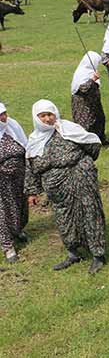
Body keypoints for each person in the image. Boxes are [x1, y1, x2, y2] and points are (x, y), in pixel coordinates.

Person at [25, 99, 106, 274]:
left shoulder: (68, 129)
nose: (47, 119)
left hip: (80, 178)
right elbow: (31, 168)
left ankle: (98, 255)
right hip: (56, 190)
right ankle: (73, 252)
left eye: (50, 114)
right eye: (43, 116)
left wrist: (84, 165)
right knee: (64, 218)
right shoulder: (34, 140)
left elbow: (92, 144)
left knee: (89, 212)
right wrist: (32, 192)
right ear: (36, 118)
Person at [0, 103, 28, 263]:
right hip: (2, 180)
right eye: (0, 116)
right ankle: (7, 246)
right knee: (3, 210)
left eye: (4, 113)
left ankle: (17, 230)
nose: (3, 117)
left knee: (20, 205)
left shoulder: (13, 125)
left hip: (19, 175)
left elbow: (25, 144)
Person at [70, 51, 109, 144]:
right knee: (86, 122)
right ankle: (86, 143)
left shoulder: (91, 71)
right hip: (83, 103)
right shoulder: (81, 72)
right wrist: (93, 80)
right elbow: (83, 88)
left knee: (99, 120)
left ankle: (100, 140)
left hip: (93, 101)